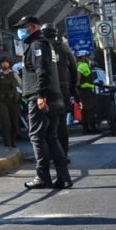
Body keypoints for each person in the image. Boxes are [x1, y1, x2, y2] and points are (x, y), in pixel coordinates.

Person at [14, 15, 72, 189]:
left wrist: (40, 96)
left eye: (23, 27)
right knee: (51, 137)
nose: (20, 31)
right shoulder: (45, 44)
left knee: (37, 138)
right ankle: (63, 176)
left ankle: (42, 177)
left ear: (32, 27)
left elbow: (42, 71)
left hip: (41, 99)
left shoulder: (37, 45)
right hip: (55, 97)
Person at [42, 22, 78, 154]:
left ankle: (49, 153)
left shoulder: (40, 47)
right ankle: (63, 152)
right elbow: (74, 70)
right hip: (62, 91)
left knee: (45, 124)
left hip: (45, 91)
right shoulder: (64, 48)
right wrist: (73, 89)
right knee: (61, 123)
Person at [0, 56, 22, 147]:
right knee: (5, 122)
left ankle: (12, 141)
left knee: (14, 123)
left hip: (13, 101)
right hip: (1, 101)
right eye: (2, 62)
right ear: (0, 64)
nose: (4, 64)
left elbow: (22, 85)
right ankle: (7, 143)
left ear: (9, 63)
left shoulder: (14, 74)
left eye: (6, 62)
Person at [76, 50, 100, 134]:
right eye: (87, 56)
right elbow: (79, 76)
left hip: (86, 90)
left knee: (86, 111)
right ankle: (91, 128)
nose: (88, 58)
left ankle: (87, 129)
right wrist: (78, 84)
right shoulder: (82, 65)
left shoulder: (84, 65)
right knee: (89, 110)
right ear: (83, 57)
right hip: (85, 91)